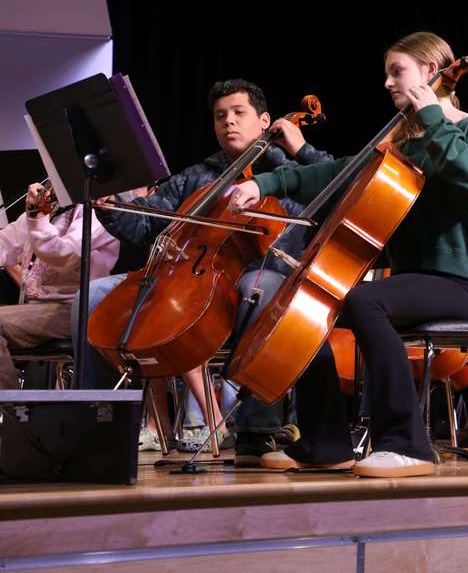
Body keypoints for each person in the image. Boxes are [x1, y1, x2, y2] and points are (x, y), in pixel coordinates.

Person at [232, 31, 468, 478]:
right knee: (311, 307)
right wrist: (265, 183)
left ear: (431, 73)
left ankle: (408, 444)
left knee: (363, 300)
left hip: (458, 284)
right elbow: (337, 172)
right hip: (412, 282)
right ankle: (323, 442)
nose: (389, 83)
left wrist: (433, 114)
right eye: (388, 74)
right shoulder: (403, 144)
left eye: (398, 72)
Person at [78, 78, 334, 464]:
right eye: (219, 116)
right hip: (194, 279)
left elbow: (340, 184)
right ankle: (93, 422)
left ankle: (256, 431)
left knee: (255, 288)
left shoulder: (291, 170)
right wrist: (111, 206)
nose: (228, 122)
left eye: (238, 113)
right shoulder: (199, 175)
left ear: (265, 121)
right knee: (93, 296)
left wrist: (300, 148)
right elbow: (145, 224)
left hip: (267, 275)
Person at [0, 183, 119, 388]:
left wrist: (36, 218)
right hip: (36, 310)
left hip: (76, 310)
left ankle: (8, 412)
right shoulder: (53, 206)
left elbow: (62, 254)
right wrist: (35, 216)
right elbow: (5, 243)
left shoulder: (100, 211)